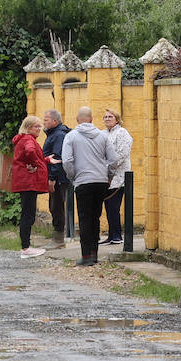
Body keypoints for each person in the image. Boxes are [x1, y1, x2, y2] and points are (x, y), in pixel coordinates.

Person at [60, 106, 112, 266]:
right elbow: (114, 159)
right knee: (95, 217)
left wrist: (73, 176)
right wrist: (108, 176)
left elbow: (67, 161)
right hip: (101, 181)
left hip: (83, 181)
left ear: (77, 120)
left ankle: (86, 255)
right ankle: (95, 253)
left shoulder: (71, 137)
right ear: (91, 119)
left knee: (84, 218)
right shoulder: (103, 137)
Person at [10, 116, 48, 259]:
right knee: (28, 214)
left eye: (40, 126)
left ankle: (26, 246)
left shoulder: (23, 138)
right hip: (28, 182)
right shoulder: (28, 140)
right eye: (36, 127)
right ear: (28, 127)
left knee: (28, 213)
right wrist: (34, 164)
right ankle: (25, 248)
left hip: (24, 182)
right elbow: (30, 152)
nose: (40, 129)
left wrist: (46, 160)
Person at [102, 108, 133, 246]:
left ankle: (117, 235)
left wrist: (110, 165)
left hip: (118, 177)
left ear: (116, 119)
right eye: (105, 117)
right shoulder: (102, 134)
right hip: (105, 176)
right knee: (108, 207)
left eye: (110, 116)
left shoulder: (122, 133)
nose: (107, 119)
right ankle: (111, 235)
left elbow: (122, 153)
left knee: (114, 207)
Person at [41, 109, 71, 249]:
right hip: (56, 176)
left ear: (55, 121)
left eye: (46, 120)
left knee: (57, 206)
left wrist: (52, 178)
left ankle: (58, 240)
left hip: (58, 177)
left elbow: (57, 158)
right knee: (54, 205)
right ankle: (57, 238)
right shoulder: (54, 134)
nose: (43, 122)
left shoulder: (58, 135)